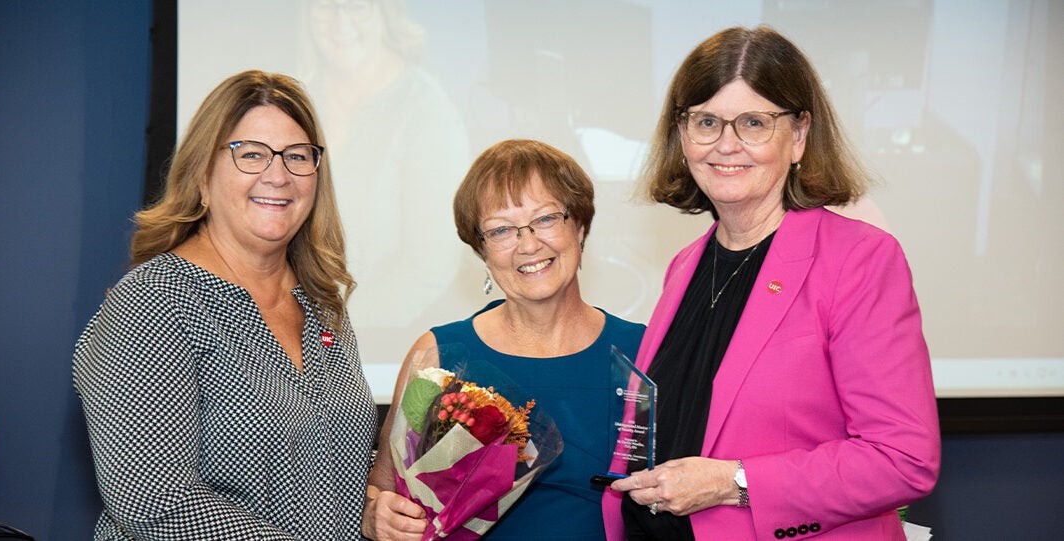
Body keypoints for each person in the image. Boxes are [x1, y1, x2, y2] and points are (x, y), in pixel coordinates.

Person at [603, 26, 941, 540]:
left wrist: (733, 483)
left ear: (800, 135)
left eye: (755, 122)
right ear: (682, 133)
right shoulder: (686, 265)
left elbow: (902, 459)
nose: (725, 145)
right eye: (707, 121)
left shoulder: (859, 259)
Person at [72, 70, 377, 540]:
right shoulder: (153, 300)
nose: (277, 175)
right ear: (201, 175)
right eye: (250, 154)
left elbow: (322, 463)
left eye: (297, 157)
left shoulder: (322, 303)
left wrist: (375, 508)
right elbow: (152, 500)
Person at [362, 139, 646, 540]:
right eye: (501, 230)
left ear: (580, 228)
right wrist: (380, 515)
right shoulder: (440, 356)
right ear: (482, 250)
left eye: (546, 219)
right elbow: (384, 488)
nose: (528, 244)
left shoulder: (644, 352)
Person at [302, 0, 471, 339]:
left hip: (378, 344)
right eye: (325, 6)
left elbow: (429, 267)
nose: (340, 21)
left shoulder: (426, 111)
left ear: (386, 12)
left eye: (356, 7)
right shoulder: (299, 98)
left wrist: (326, 328)